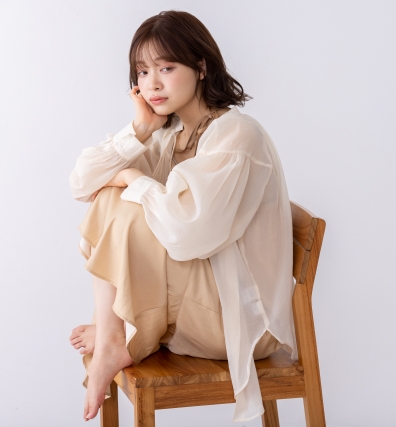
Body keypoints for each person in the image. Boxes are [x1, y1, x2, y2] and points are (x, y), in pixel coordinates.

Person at [67, 10, 297, 423]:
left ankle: (112, 334)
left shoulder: (237, 135)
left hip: (240, 320)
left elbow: (188, 235)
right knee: (109, 199)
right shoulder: (169, 134)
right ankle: (113, 333)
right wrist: (139, 130)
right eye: (142, 72)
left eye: (167, 68)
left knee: (121, 201)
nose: (152, 84)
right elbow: (82, 183)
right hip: (202, 304)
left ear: (201, 67)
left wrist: (132, 177)